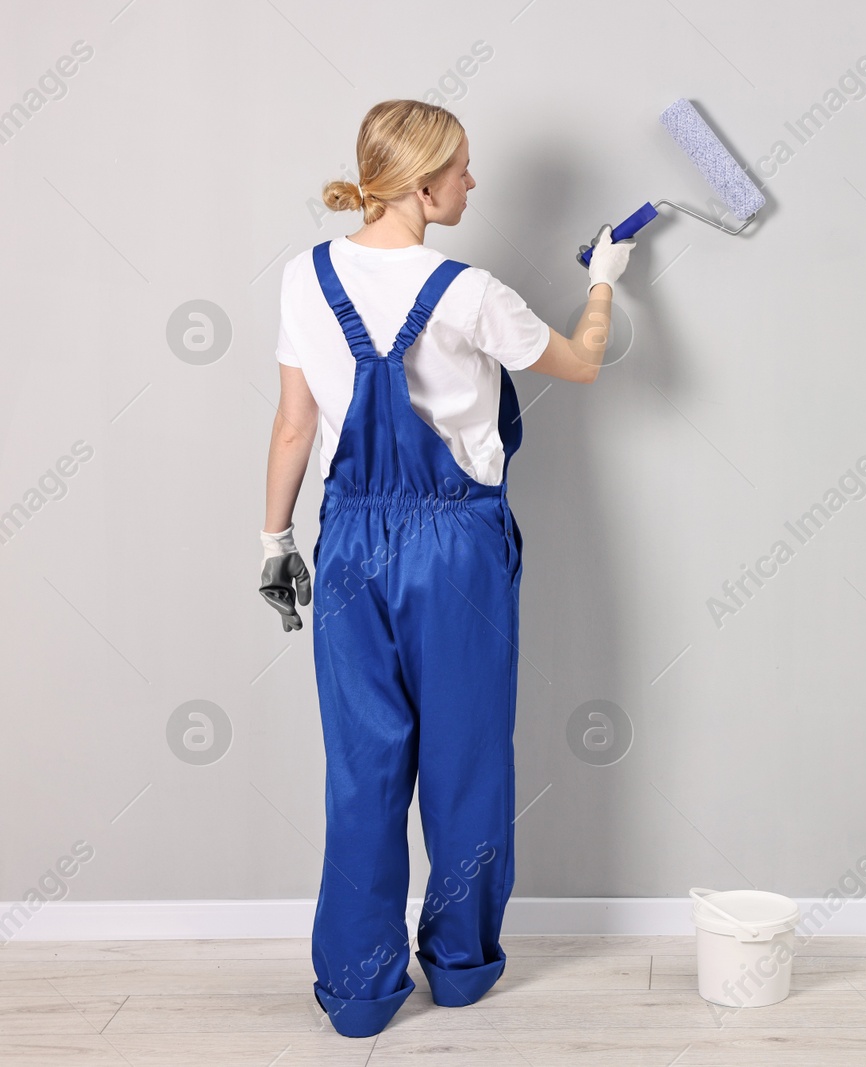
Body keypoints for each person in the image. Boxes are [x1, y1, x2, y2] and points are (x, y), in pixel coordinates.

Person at [256, 98, 633, 1038]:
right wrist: (606, 284)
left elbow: (295, 424)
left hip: (345, 543)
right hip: (454, 545)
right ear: (422, 185)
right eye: (462, 169)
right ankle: (459, 970)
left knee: (363, 768)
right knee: (463, 763)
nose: (474, 182)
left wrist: (275, 541)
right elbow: (584, 364)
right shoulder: (468, 291)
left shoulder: (304, 277)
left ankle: (357, 993)